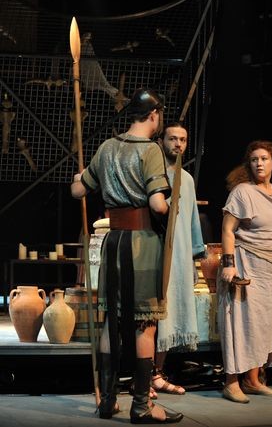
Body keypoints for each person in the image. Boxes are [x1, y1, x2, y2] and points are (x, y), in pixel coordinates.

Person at [71, 88, 182, 423]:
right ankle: (142, 406)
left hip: (113, 241)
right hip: (141, 243)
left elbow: (78, 189)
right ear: (154, 115)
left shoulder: (107, 146)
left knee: (111, 320)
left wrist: (80, 177)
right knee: (144, 323)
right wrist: (171, 208)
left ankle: (107, 402)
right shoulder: (150, 150)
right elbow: (157, 204)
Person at [219, 140, 272, 403]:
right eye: (254, 160)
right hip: (245, 262)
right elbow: (228, 229)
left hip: (270, 268)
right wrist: (229, 263)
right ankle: (231, 382)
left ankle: (252, 380)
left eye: (264, 159)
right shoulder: (243, 192)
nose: (259, 163)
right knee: (239, 323)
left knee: (262, 324)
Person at [153, 122, 205, 395]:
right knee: (151, 313)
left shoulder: (187, 179)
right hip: (155, 251)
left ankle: (157, 373)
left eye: (182, 140)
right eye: (172, 138)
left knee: (170, 312)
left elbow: (193, 221)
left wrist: (194, 257)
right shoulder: (153, 172)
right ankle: (144, 374)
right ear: (161, 141)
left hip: (180, 253)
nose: (178, 144)